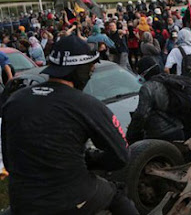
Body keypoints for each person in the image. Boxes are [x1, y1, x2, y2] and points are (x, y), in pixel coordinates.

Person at [0, 35, 137, 214]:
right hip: (70, 197)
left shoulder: (15, 100)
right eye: (91, 68)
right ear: (79, 69)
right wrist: (92, 160)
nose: (91, 72)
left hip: (23, 200)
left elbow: (9, 160)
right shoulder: (85, 104)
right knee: (116, 194)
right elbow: (121, 156)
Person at [127, 56, 191, 144]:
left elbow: (141, 114)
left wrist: (130, 135)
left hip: (161, 135)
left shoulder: (147, 88)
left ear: (144, 73)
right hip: (182, 129)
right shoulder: (172, 79)